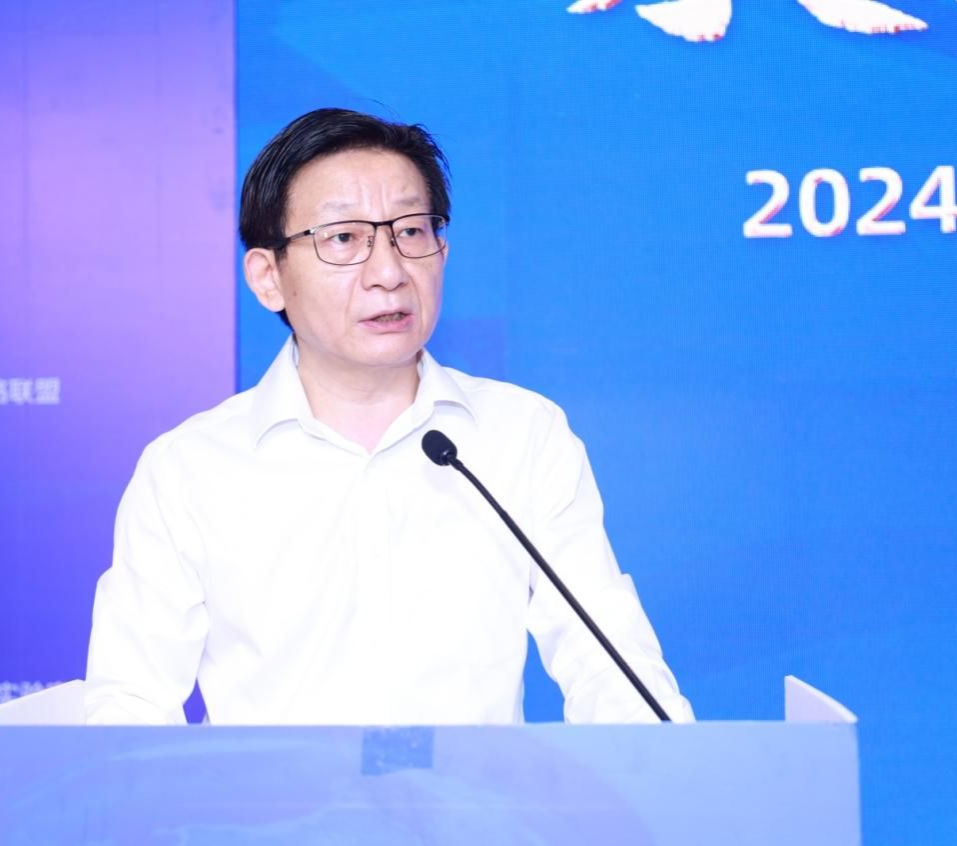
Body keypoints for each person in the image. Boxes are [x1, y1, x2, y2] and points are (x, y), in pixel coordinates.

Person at [84, 108, 693, 725]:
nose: (389, 272)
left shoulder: (522, 435)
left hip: (472, 791)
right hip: (271, 792)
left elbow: (609, 663)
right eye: (343, 239)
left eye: (411, 232)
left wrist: (668, 763)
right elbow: (130, 703)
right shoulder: (190, 468)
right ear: (269, 278)